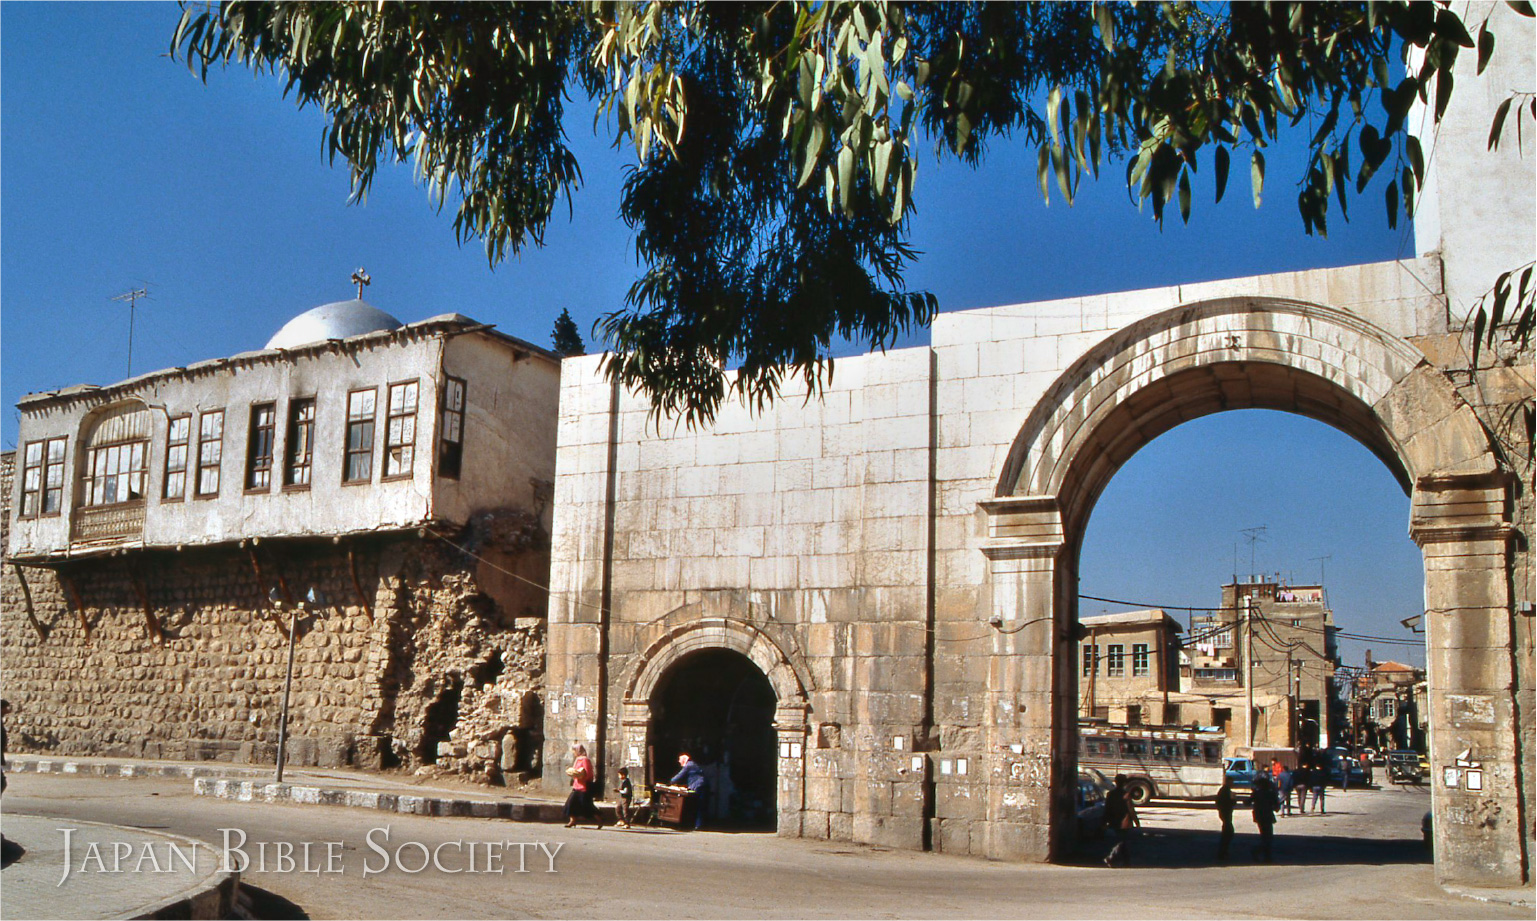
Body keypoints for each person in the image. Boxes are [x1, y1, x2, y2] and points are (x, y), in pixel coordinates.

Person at [1102, 774, 1140, 867]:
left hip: (1114, 820)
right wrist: (1136, 821)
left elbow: (1107, 809)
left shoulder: (1110, 794)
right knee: (1122, 841)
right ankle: (1111, 858)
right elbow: (1130, 809)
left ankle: (1126, 861)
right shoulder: (1126, 795)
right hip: (1124, 822)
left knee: (1122, 841)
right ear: (1124, 783)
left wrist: (1104, 822)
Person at [563, 743, 602, 829]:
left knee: (587, 805)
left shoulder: (585, 760)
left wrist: (581, 776)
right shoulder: (577, 760)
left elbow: (588, 773)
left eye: (574, 751)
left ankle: (599, 819)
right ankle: (572, 821)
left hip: (584, 786)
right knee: (571, 803)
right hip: (577, 785)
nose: (574, 753)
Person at [670, 752, 708, 829]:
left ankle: (697, 825)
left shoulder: (689, 765)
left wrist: (671, 781)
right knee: (700, 806)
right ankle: (698, 824)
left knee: (698, 805)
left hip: (698, 786)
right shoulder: (692, 764)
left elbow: (680, 775)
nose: (679, 762)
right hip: (701, 785)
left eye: (680, 760)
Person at [1250, 773, 1279, 862]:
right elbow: (1276, 807)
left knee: (1264, 835)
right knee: (1268, 836)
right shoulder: (1271, 794)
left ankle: (1263, 853)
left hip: (1259, 816)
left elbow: (1247, 802)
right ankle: (1264, 854)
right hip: (1268, 816)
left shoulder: (1257, 793)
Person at [1215, 777, 1236, 863]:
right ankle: (1222, 852)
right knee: (1228, 833)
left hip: (1224, 813)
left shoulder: (1224, 790)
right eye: (1231, 782)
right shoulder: (1225, 791)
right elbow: (1229, 803)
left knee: (1227, 832)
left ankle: (1223, 852)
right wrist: (1233, 799)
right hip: (1226, 813)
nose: (1232, 783)